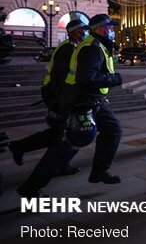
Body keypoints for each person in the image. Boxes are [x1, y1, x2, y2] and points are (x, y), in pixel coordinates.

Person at [17, 14, 124, 197]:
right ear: (99, 29)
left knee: (113, 130)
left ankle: (99, 171)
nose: (112, 31)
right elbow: (86, 77)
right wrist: (114, 79)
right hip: (81, 102)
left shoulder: (97, 46)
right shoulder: (91, 48)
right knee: (66, 144)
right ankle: (31, 187)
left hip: (94, 101)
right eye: (110, 27)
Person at [9, 20, 88, 175]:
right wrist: (61, 101)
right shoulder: (69, 49)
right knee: (67, 133)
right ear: (77, 32)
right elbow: (59, 76)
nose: (86, 33)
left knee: (62, 133)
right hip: (62, 97)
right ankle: (23, 149)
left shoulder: (71, 47)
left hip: (62, 96)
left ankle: (23, 148)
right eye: (84, 30)